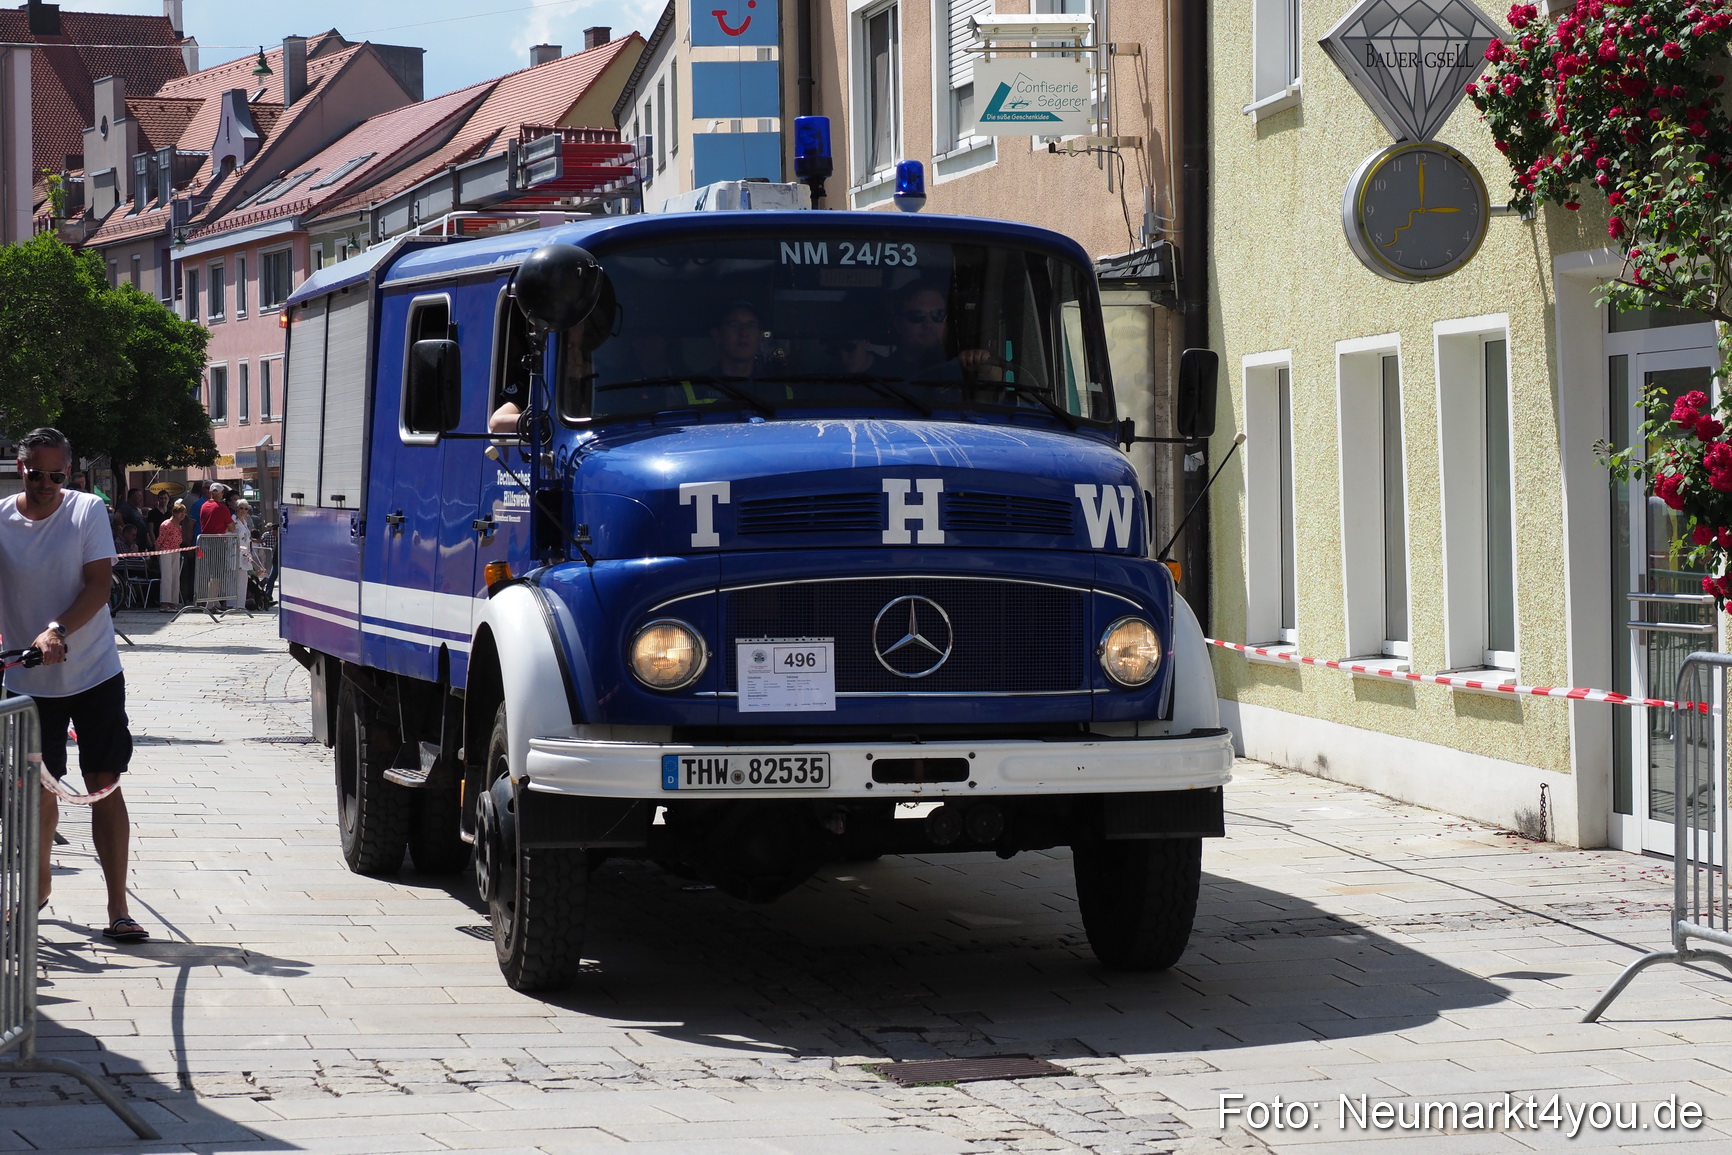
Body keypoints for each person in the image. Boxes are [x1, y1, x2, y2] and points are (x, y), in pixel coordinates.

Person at [1, 429, 148, 941]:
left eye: (55, 475)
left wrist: (56, 629)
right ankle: (37, 890)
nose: (45, 483)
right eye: (35, 474)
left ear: (70, 473)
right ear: (20, 468)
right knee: (37, 787)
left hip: (92, 671)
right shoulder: (2, 520)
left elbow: (99, 584)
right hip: (27, 676)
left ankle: (117, 909)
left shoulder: (85, 511)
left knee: (103, 782)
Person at [710, 302, 764, 378]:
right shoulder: (697, 386)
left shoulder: (777, 388)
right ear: (717, 335)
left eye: (751, 326)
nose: (744, 333)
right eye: (734, 325)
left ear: (760, 336)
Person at [156, 500, 187, 612]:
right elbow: (159, 541)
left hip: (176, 552)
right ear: (174, 513)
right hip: (166, 552)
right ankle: (165, 603)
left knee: (175, 577)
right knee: (167, 577)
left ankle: (173, 602)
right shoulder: (166, 524)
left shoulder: (179, 526)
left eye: (184, 513)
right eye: (180, 512)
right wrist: (157, 554)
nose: (182, 515)